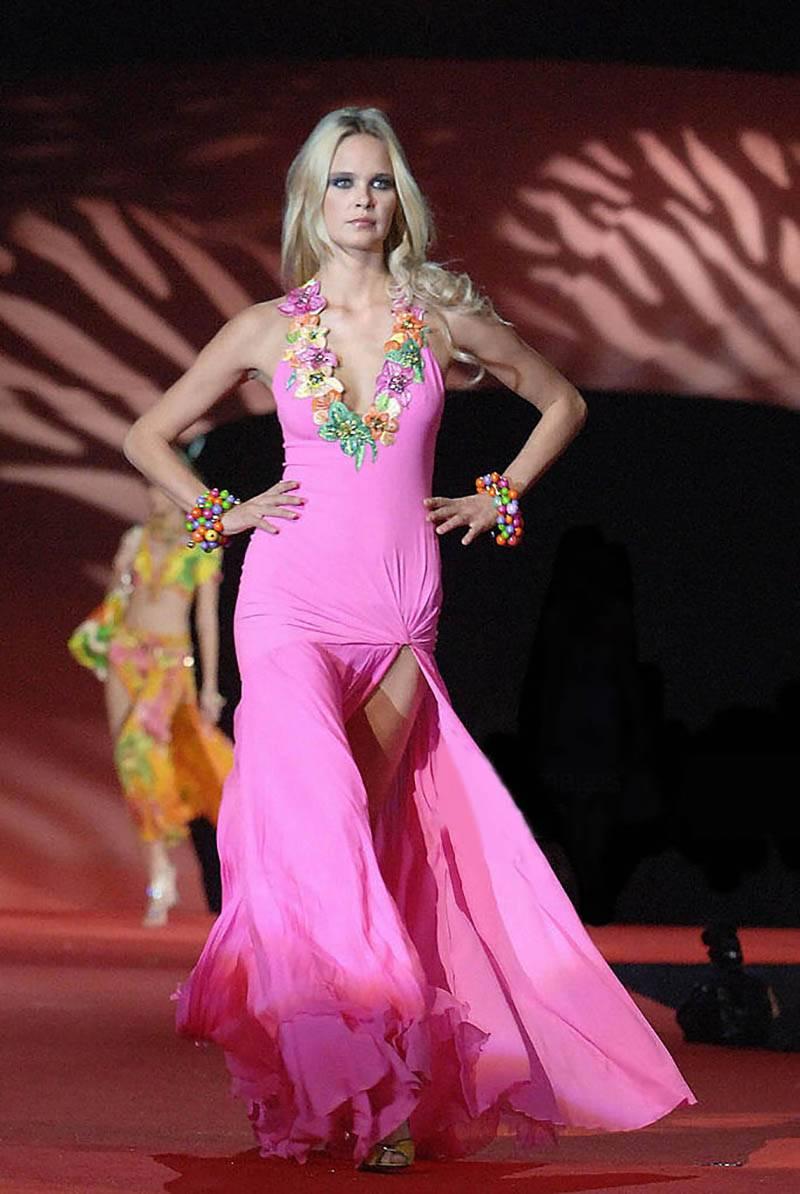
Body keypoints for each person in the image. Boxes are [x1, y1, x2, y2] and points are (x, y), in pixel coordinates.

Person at [123, 107, 694, 1172]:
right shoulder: (264, 328)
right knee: (322, 832)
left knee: (375, 856)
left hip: (395, 614)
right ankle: (361, 1097)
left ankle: (367, 1090)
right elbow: (146, 433)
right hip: (286, 605)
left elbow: (560, 400)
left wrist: (497, 495)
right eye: (342, 182)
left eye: (378, 182)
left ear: (399, 203)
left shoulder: (436, 320)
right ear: (311, 200)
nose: (361, 200)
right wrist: (220, 515)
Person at [69, 482, 232, 925]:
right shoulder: (136, 539)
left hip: (170, 662)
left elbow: (206, 619)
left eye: (164, 491)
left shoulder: (203, 546)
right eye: (153, 492)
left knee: (143, 750)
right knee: (129, 760)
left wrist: (209, 685)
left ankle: (179, 866)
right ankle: (158, 869)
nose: (157, 499)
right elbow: (119, 598)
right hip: (126, 652)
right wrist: (121, 576)